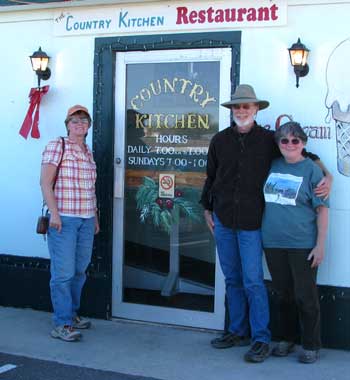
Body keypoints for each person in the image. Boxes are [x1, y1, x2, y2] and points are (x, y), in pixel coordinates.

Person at [200, 84, 331, 363]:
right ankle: (237, 331)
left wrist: (327, 176)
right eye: (237, 106)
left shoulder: (270, 140)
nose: (242, 110)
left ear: (256, 109)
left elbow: (302, 154)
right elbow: (210, 177)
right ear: (231, 110)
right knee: (233, 279)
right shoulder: (219, 140)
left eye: (247, 106)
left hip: (251, 223)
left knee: (253, 281)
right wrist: (206, 209)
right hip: (223, 219)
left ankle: (260, 338)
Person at [262, 122, 329, 363]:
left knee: (305, 296)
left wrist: (320, 245)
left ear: (303, 143)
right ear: (278, 144)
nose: (290, 145)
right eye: (284, 140)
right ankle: (287, 339)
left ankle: (311, 345)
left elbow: (322, 211)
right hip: (272, 243)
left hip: (302, 244)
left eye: (295, 140)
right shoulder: (271, 165)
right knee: (283, 295)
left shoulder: (312, 170)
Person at [40, 105, 99, 342]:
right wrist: (54, 214)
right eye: (75, 120)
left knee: (78, 270)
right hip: (63, 218)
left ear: (88, 126)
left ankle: (71, 315)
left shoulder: (87, 151)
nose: (79, 124)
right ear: (67, 124)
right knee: (63, 273)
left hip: (86, 219)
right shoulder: (58, 145)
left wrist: (95, 217)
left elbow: (90, 188)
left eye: (84, 120)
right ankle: (62, 323)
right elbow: (45, 182)